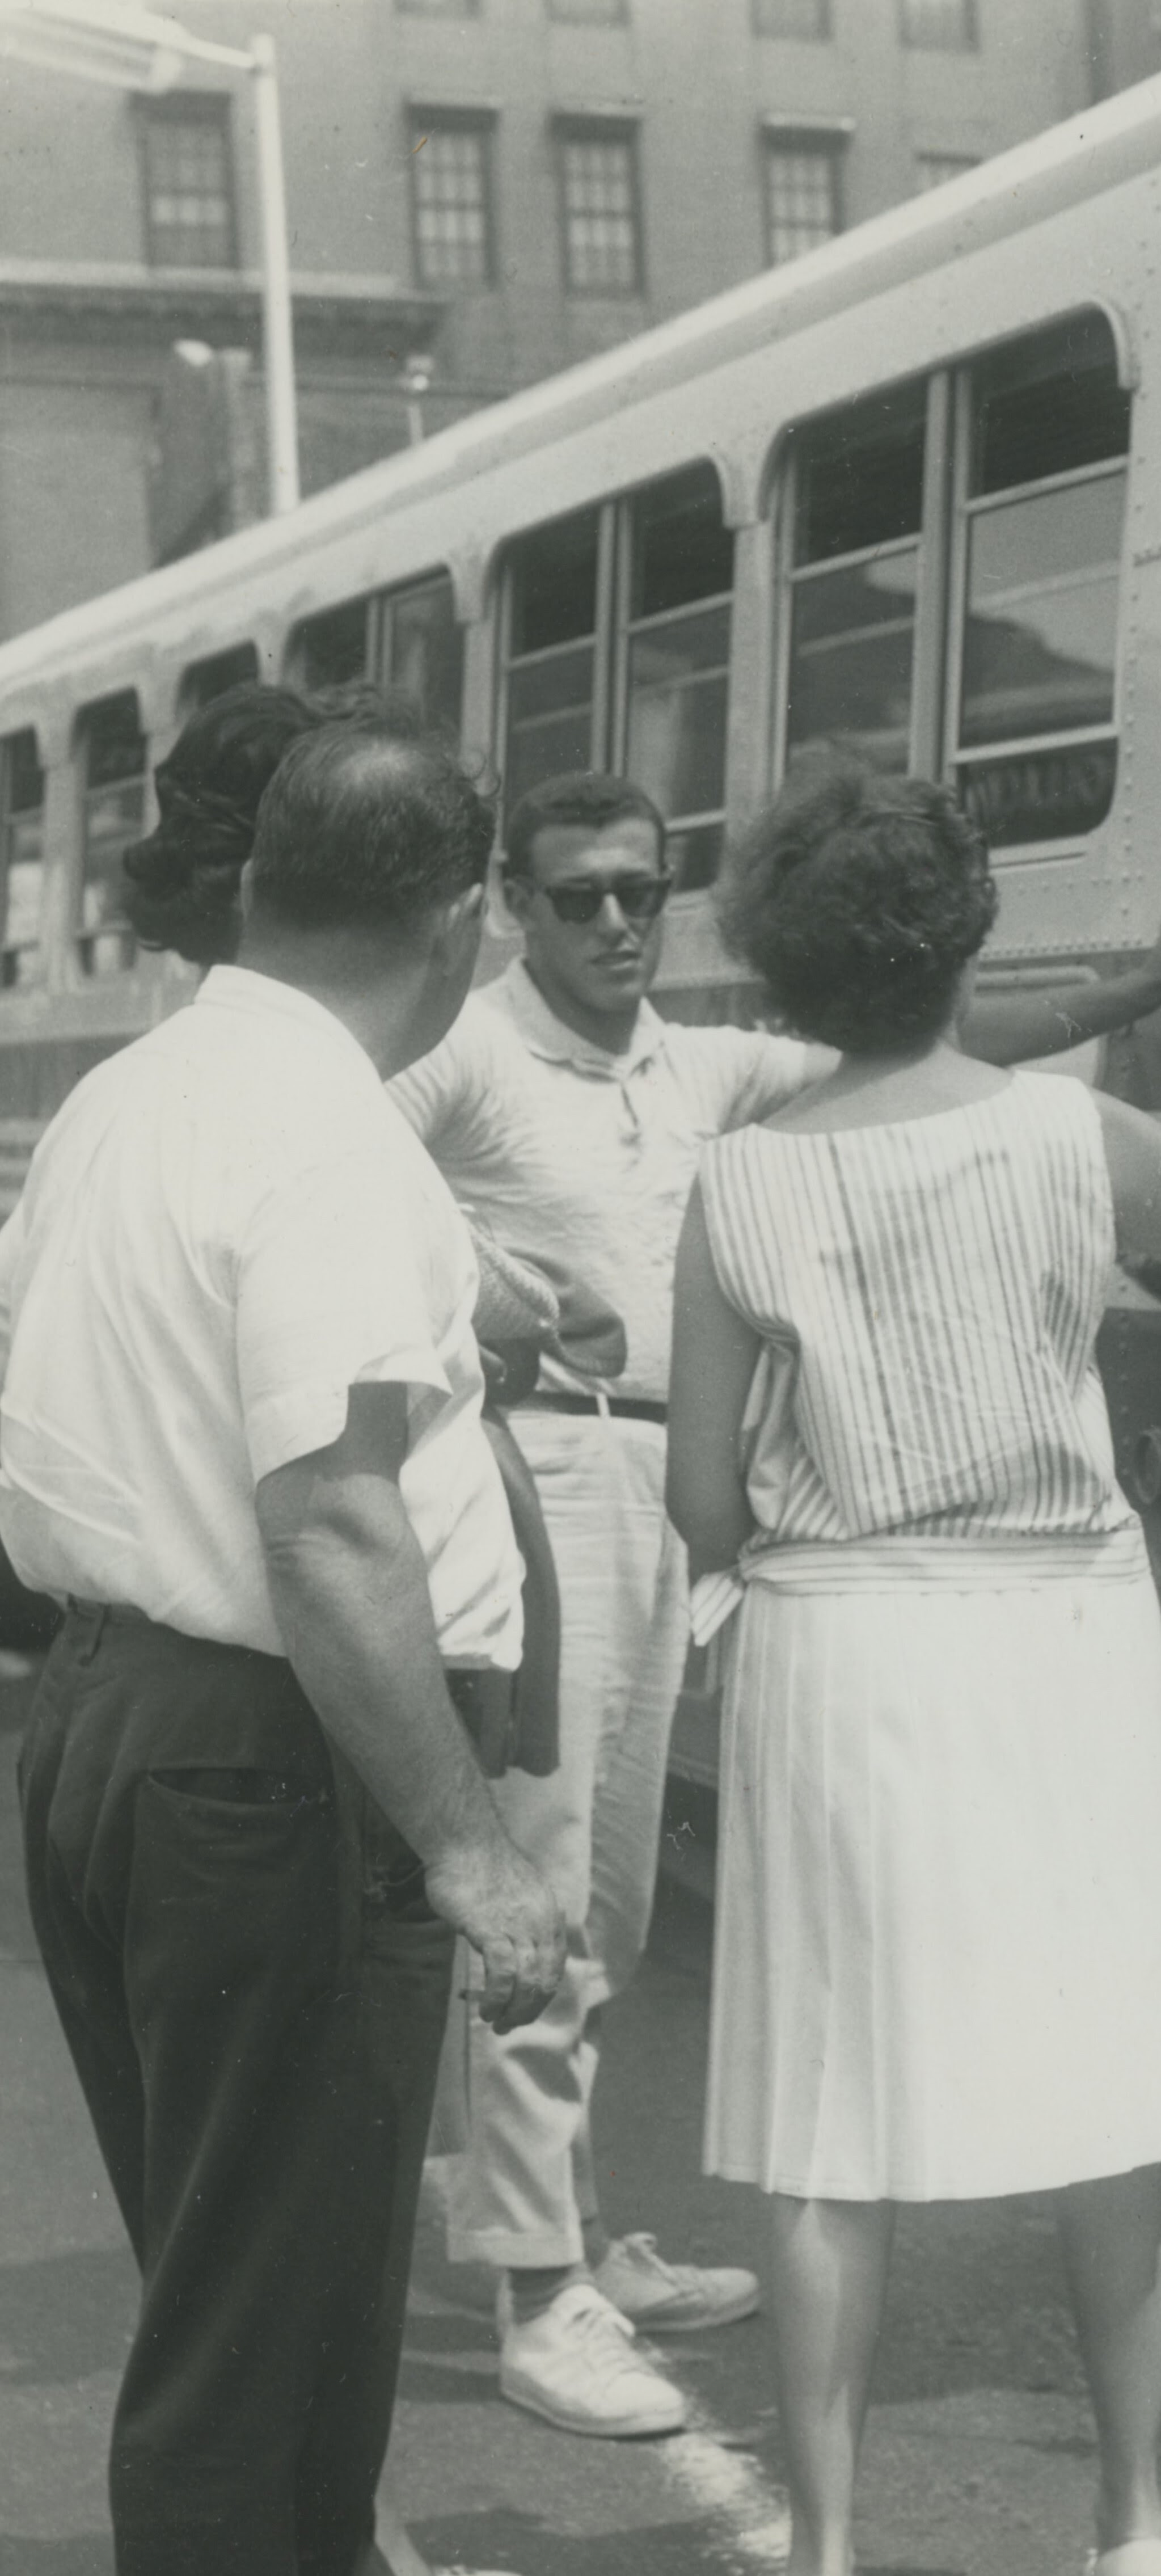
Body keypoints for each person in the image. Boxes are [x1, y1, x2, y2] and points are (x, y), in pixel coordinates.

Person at [665, 765, 1161, 2576]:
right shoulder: (1069, 1138)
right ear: (967, 939)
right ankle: (1132, 2527)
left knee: (824, 2113)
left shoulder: (733, 1185)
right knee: (1107, 2084)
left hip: (836, 1646)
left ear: (784, 966)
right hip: (1061, 1635)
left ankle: (827, 2546)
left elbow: (700, 1509)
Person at [390, 769, 1161, 2438]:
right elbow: (346, 1166)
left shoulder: (710, 1061)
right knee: (543, 1879)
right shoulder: (471, 1049)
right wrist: (482, 1293)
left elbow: (949, 1023)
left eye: (640, 889)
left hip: (677, 1494)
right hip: (546, 1476)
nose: (617, 921)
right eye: (577, 897)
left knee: (611, 1899)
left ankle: (575, 2235)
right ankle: (535, 2294)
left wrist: (1148, 981)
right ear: (514, 906)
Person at [3, 712, 571, 2576]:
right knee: (259, 2357)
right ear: (468, 921)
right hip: (269, 1766)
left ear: (257, 890)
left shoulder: (127, 1098)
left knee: (253, 2295)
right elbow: (331, 1531)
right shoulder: (325, 1136)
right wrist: (476, 1855)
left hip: (114, 1717)